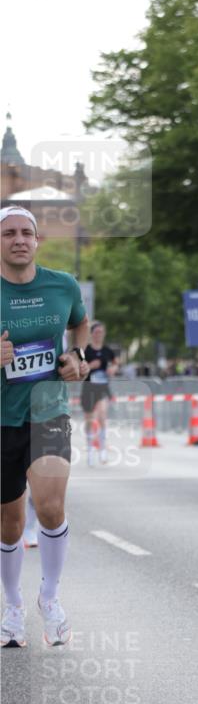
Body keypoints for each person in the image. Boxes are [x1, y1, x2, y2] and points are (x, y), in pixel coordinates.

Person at [0, 206, 89, 648]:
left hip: (48, 409)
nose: (18, 239)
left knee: (50, 505)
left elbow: (80, 324)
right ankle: (12, 604)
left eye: (26, 233)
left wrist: (77, 357)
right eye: (9, 233)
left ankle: (49, 597)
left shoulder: (62, 285)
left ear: (37, 241)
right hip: (1, 418)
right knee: (10, 524)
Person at [82, 321, 118, 466]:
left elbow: (116, 362)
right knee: (89, 421)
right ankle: (90, 450)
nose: (99, 335)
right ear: (91, 334)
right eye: (96, 332)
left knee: (102, 415)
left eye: (101, 332)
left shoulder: (108, 350)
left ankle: (103, 449)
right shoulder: (86, 350)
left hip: (103, 388)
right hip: (89, 388)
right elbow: (80, 368)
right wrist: (90, 366)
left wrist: (113, 369)